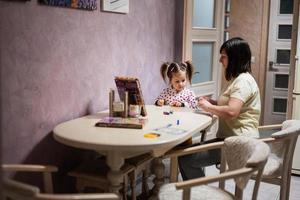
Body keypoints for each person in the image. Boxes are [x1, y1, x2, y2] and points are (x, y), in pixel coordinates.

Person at [178, 37, 261, 180]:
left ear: (235, 58)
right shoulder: (236, 79)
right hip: (231, 139)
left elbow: (232, 112)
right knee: (186, 155)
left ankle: (200, 194)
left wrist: (209, 107)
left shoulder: (243, 82)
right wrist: (213, 102)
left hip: (239, 143)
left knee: (186, 159)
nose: (220, 60)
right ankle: (198, 192)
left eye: (223, 56)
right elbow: (232, 106)